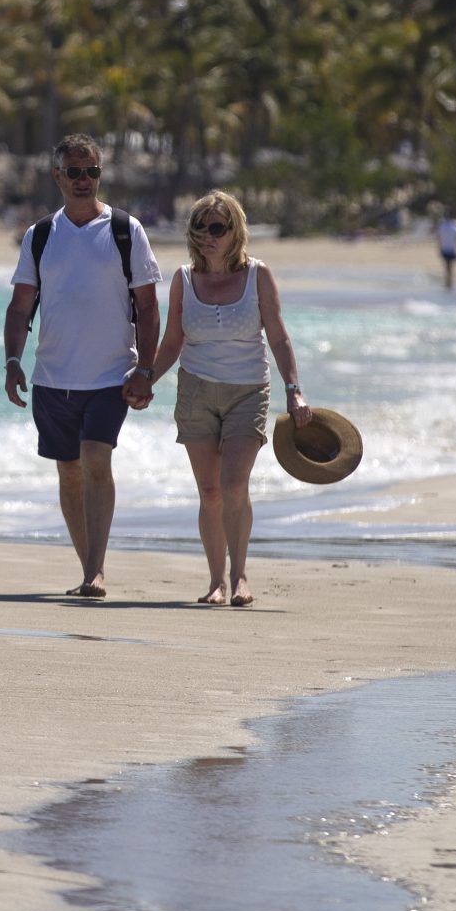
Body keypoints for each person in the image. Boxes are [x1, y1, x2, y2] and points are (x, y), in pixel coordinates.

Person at [3, 136, 161, 599]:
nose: (83, 180)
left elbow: (149, 307)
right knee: (68, 471)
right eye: (73, 172)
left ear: (99, 175)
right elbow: (19, 307)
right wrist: (13, 361)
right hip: (52, 377)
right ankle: (87, 566)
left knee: (95, 459)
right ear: (57, 178)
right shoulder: (41, 236)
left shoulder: (125, 230)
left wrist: (146, 369)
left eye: (91, 171)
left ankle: (96, 571)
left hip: (112, 375)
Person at [138, 191, 311, 607]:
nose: (208, 236)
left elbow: (278, 335)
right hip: (196, 391)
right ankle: (216, 581)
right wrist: (146, 379)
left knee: (234, 484)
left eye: (217, 228)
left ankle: (240, 577)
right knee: (210, 492)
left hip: (248, 391)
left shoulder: (257, 275)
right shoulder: (183, 278)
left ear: (236, 231)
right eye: (200, 227)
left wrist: (294, 389)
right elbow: (173, 341)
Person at [435, 206, 456, 289]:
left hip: (452, 248)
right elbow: (439, 236)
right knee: (447, 265)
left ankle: (449, 281)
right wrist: (439, 246)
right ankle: (448, 282)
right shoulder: (442, 223)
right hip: (445, 247)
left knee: (450, 265)